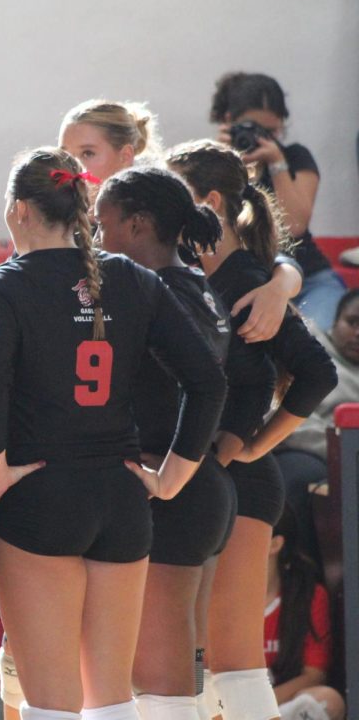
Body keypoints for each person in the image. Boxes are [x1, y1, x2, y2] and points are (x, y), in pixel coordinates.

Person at [0, 148, 227, 720]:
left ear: (18, 211)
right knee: (111, 700)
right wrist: (170, 479)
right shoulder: (132, 278)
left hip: (40, 498)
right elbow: (207, 381)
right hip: (122, 498)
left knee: (51, 704)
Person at [92, 167, 273, 720]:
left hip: (174, 493)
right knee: (187, 680)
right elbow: (254, 376)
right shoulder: (196, 283)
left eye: (102, 227)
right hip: (203, 490)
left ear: (139, 224)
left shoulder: (160, 290)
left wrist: (176, 467)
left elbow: (210, 383)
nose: (97, 241)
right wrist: (214, 454)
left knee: (165, 689)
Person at [167, 139, 338, 720]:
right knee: (202, 662)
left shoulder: (240, 276)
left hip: (235, 482)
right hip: (206, 479)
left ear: (210, 202)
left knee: (229, 664)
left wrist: (259, 443)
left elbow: (317, 372)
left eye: (178, 197)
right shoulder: (234, 273)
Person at [60, 98, 302, 345]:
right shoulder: (57, 219)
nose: (72, 168)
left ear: (126, 156)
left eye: (87, 153)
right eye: (64, 154)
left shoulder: (162, 211)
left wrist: (278, 288)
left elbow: (268, 259)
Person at [210, 72, 344, 331]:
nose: (263, 139)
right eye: (252, 129)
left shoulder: (294, 157)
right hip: (246, 281)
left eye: (271, 132)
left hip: (309, 278)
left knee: (318, 338)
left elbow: (294, 226)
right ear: (229, 121)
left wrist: (277, 164)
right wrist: (222, 159)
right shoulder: (213, 162)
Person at [275, 288, 359, 555]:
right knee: (304, 477)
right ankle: (306, 583)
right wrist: (337, 448)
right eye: (352, 322)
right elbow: (277, 414)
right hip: (305, 448)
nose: (358, 333)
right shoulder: (307, 349)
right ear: (335, 320)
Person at [264, 507, 345, 720]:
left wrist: (263, 704)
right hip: (227, 701)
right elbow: (201, 668)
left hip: (280, 704)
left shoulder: (307, 595)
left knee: (328, 699)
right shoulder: (217, 592)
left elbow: (315, 674)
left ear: (275, 544)